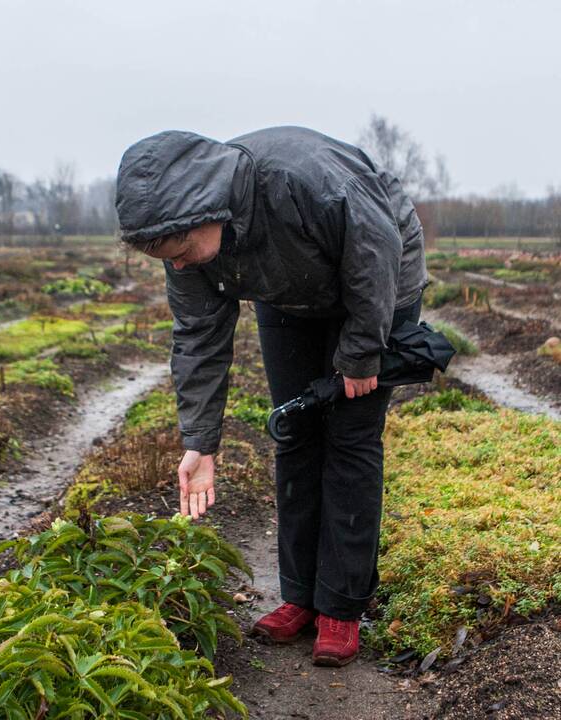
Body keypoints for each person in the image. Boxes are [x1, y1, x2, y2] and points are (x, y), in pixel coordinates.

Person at [115, 126, 427, 667]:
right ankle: (301, 596)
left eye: (183, 250)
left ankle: (342, 607)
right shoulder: (184, 243)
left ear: (204, 210)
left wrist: (358, 353)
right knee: (295, 431)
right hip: (288, 289)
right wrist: (201, 443)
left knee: (350, 437)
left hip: (378, 284)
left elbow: (375, 256)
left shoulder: (305, 181)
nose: (181, 264)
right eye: (171, 257)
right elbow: (198, 336)